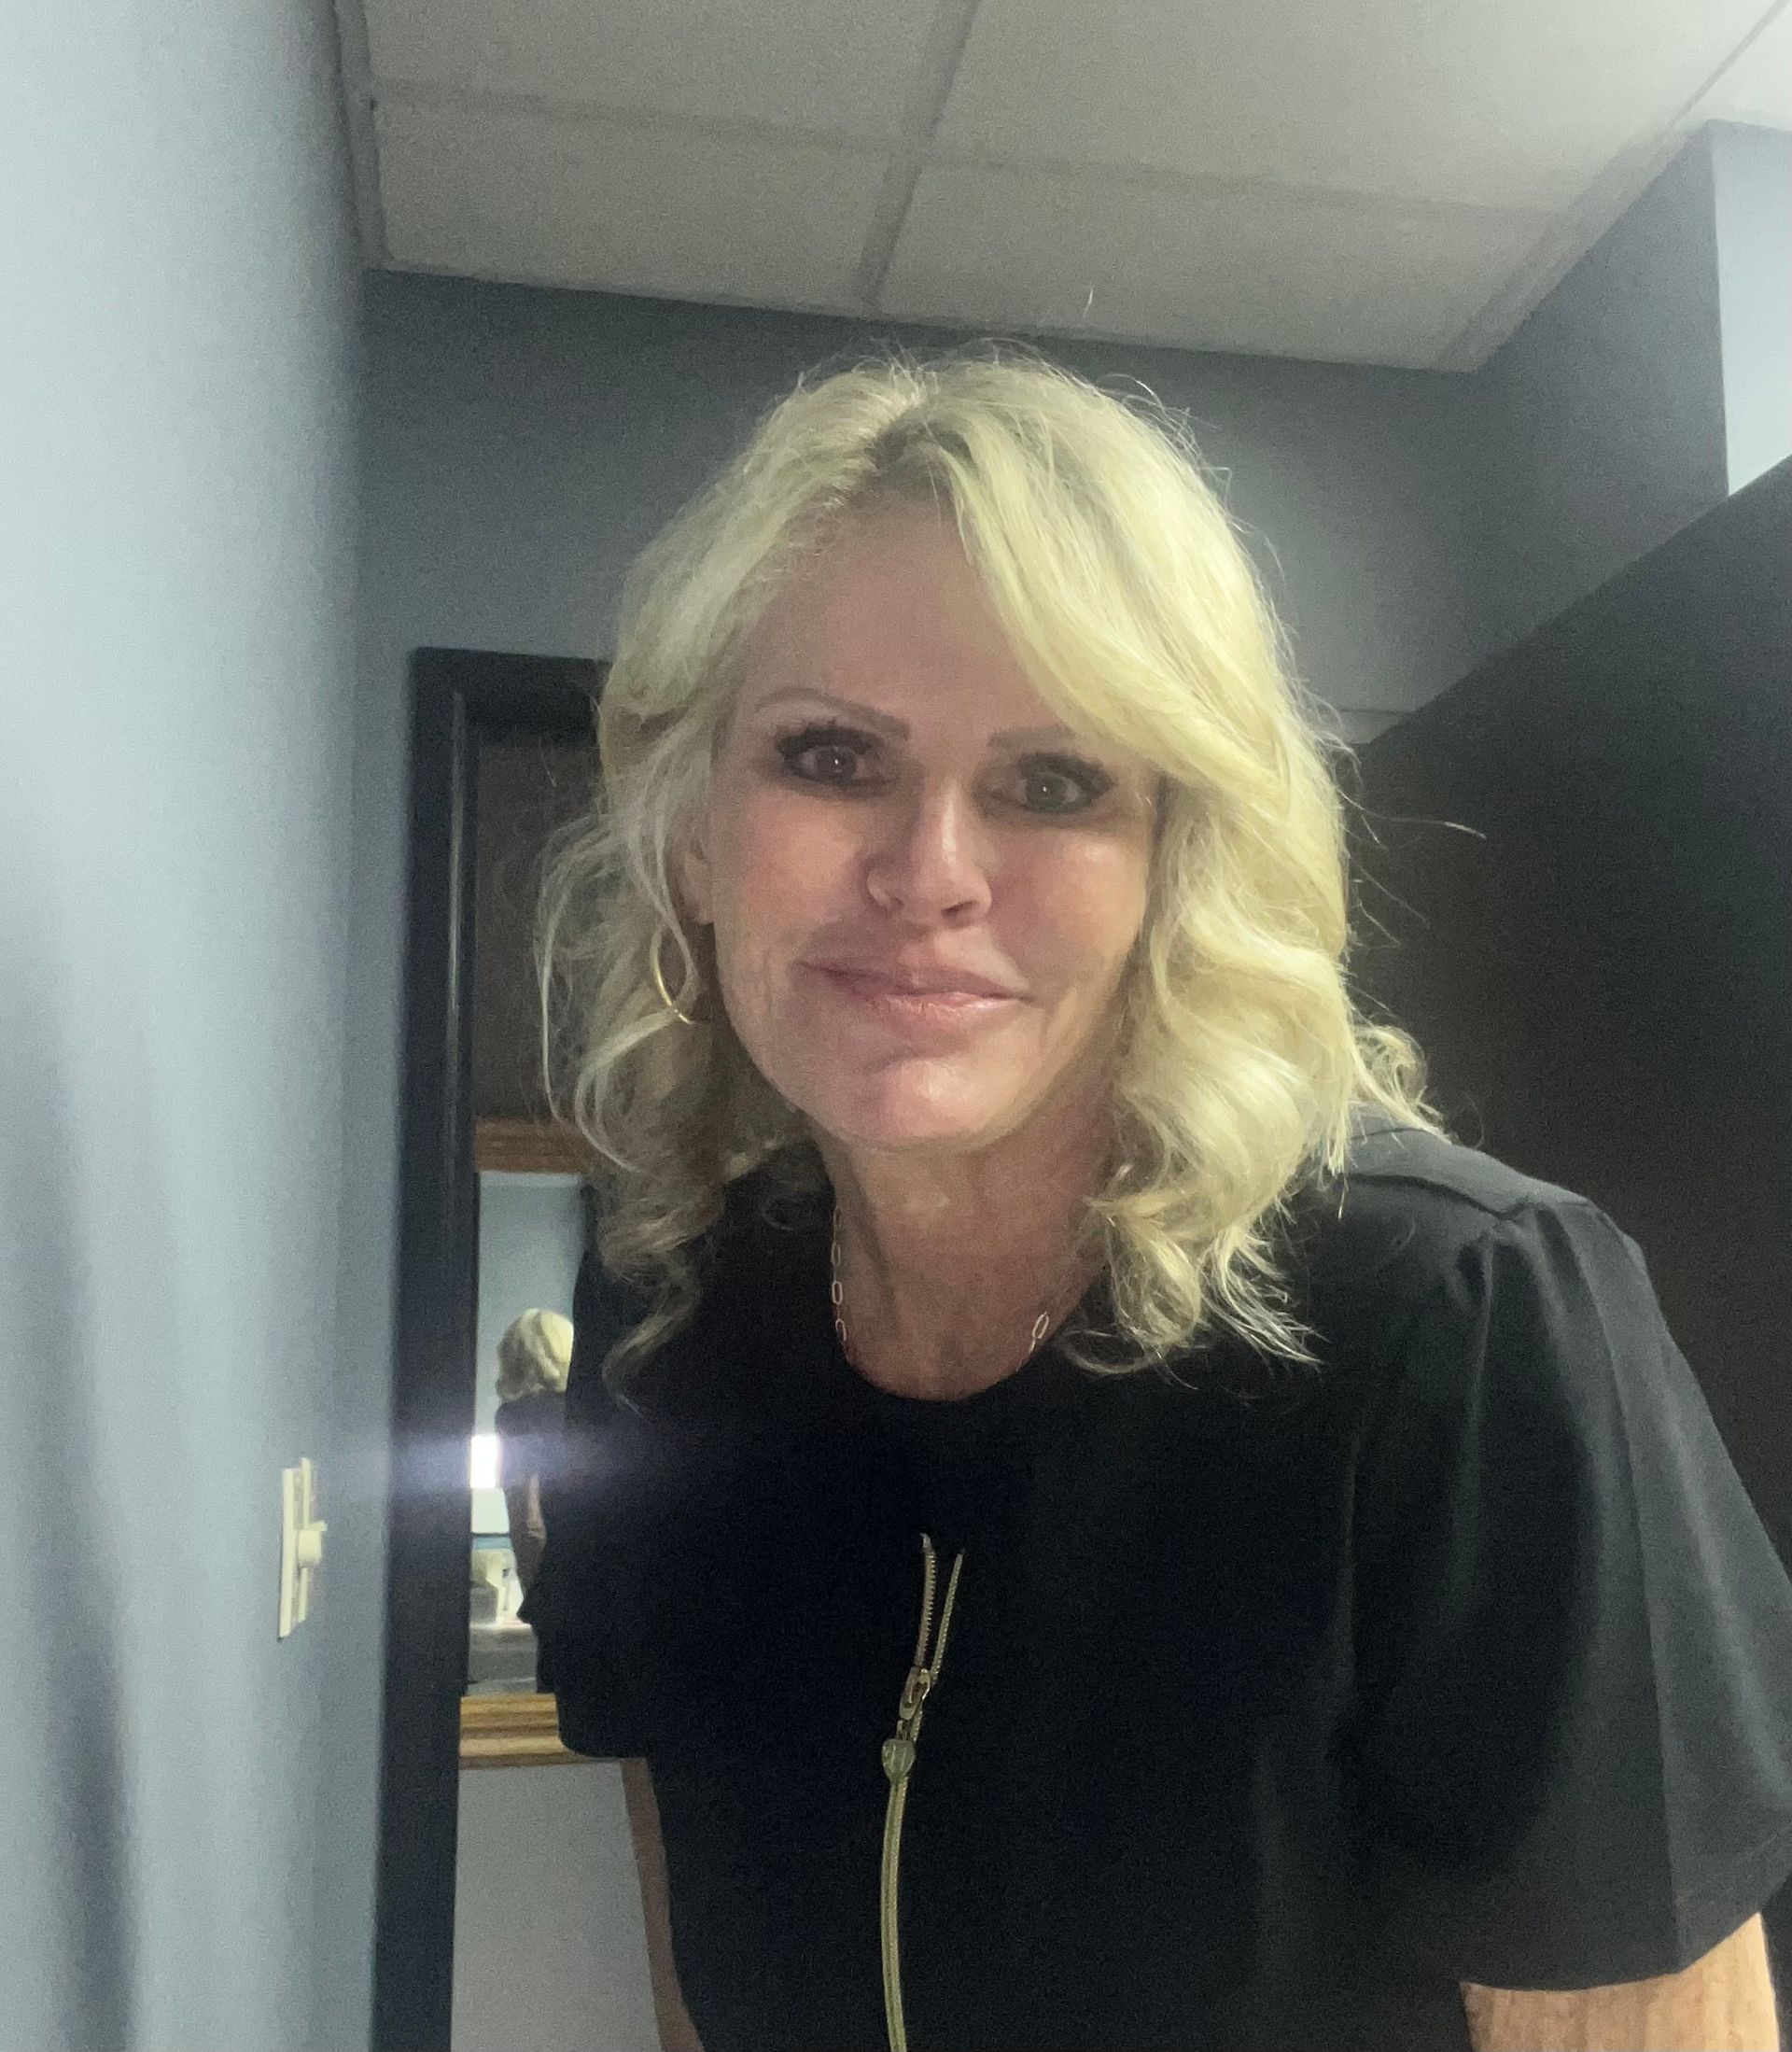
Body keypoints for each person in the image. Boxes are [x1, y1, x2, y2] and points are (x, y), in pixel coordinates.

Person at [522, 350, 1792, 2052]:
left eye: (1056, 782)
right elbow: (699, 1938)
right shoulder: (664, 1316)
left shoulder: (1460, 1327)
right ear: (692, 832)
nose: (933, 873)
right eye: (830, 755)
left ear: (1172, 863)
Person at [492, 1307, 572, 1599]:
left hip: (553, 1576)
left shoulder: (516, 1417)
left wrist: (536, 1593)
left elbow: (529, 1521)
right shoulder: (587, 1411)